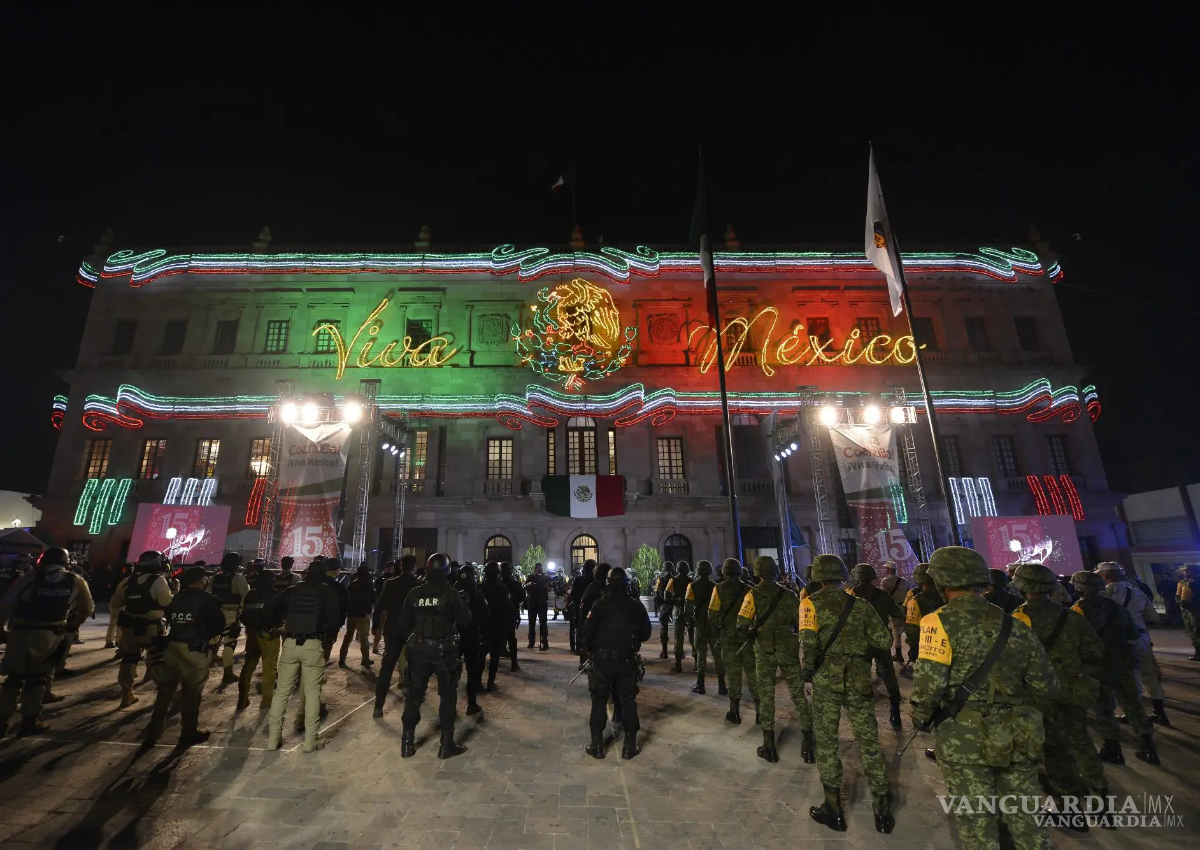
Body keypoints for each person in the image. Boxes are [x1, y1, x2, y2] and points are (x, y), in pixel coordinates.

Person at [911, 547, 1059, 850]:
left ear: (942, 581)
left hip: (965, 739)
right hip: (1019, 734)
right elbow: (1047, 687)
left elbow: (929, 685)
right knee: (1027, 820)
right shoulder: (1015, 622)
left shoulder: (937, 622)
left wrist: (921, 717)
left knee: (977, 823)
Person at [1010, 564, 1109, 825]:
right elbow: (1095, 652)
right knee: (1081, 743)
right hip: (1072, 691)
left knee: (1053, 749)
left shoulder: (1018, 619)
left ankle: (1069, 808)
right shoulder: (1071, 616)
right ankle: (1101, 800)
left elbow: (1011, 660)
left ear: (1021, 586)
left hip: (1038, 694)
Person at [802, 555, 894, 834]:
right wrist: (858, 648)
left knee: (827, 742)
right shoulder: (862, 605)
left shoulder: (810, 604)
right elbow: (884, 640)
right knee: (869, 742)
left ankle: (834, 810)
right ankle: (882, 812)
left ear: (818, 577)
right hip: (859, 680)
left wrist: (808, 669)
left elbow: (809, 643)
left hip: (826, 683)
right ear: (843, 576)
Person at [0, 549, 93, 735]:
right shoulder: (76, 580)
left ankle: (2, 721)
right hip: (50, 634)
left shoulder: (28, 578)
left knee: (13, 679)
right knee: (37, 679)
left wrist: (1, 629)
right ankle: (29, 721)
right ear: (66, 562)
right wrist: (72, 626)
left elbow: (5, 604)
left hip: (20, 633)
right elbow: (87, 608)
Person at [1071, 570, 1160, 766]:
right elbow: (1133, 635)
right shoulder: (1117, 608)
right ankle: (1148, 746)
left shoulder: (1077, 611)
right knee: (1132, 704)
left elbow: (1074, 641)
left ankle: (1112, 749)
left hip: (1095, 667)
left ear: (1078, 589)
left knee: (1103, 708)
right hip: (1121, 663)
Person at [396, 553, 472, 759]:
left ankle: (407, 744)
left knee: (414, 697)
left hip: (419, 650)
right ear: (447, 571)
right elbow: (466, 621)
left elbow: (403, 622)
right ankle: (446, 745)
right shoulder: (451, 593)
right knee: (447, 697)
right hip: (445, 652)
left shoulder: (415, 593)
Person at [739, 555, 811, 763]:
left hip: (764, 650)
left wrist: (751, 630)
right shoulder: (788, 594)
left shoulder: (753, 594)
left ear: (758, 572)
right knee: (798, 695)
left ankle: (769, 746)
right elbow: (801, 621)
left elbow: (742, 622)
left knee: (766, 696)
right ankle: (808, 745)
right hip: (788, 649)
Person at [146, 566, 226, 746]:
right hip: (194, 650)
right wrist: (206, 640)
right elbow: (218, 624)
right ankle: (189, 731)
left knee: (165, 690)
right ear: (203, 580)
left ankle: (155, 728)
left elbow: (166, 620)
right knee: (192, 692)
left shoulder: (176, 598)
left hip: (172, 647)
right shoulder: (208, 600)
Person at [266, 563, 342, 752]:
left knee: (281, 692)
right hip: (313, 644)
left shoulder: (291, 591)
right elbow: (335, 620)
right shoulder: (327, 593)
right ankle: (310, 742)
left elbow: (269, 609)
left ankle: (273, 740)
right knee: (312, 693)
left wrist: (281, 624)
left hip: (290, 643)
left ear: (306, 573)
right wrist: (328, 639)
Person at [581, 566, 652, 760]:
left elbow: (587, 632)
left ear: (608, 584)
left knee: (599, 701)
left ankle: (597, 745)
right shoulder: (636, 606)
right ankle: (629, 746)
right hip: (626, 661)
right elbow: (646, 633)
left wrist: (592, 651)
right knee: (628, 701)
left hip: (602, 661)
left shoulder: (599, 604)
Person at [1096, 561, 1167, 725]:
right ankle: (1160, 713)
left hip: (1119, 641)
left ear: (1105, 575)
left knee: (1129, 678)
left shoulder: (1104, 594)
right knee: (1149, 675)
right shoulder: (1137, 592)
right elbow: (1154, 617)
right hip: (1141, 638)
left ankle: (1135, 715)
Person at [111, 551, 174, 707]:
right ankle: (165, 694)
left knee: (129, 659)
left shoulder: (127, 581)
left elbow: (116, 603)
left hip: (129, 628)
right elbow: (167, 603)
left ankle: (127, 694)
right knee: (156, 659)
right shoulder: (158, 580)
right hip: (151, 627)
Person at [847, 563, 904, 728]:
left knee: (861, 679)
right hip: (881, 641)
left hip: (860, 643)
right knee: (889, 677)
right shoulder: (883, 595)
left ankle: (865, 719)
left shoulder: (851, 595)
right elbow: (898, 613)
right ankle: (895, 714)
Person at [708, 558, 757, 723]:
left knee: (734, 674)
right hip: (747, 639)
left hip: (728, 639)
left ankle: (734, 712)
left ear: (724, 572)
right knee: (752, 674)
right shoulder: (750, 590)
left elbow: (712, 615)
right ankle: (760, 713)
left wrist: (718, 633)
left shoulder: (718, 589)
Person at [372, 556, 422, 717]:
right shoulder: (419, 585)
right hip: (412, 630)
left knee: (387, 667)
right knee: (415, 666)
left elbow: (380, 605)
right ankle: (413, 703)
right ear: (414, 567)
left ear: (401, 566)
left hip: (393, 629)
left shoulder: (391, 583)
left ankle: (379, 705)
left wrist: (376, 624)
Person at [237, 569, 281, 712]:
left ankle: (242, 699)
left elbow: (243, 615)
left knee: (248, 666)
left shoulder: (250, 595)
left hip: (252, 634)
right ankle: (266, 701)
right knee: (269, 668)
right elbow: (281, 615)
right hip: (269, 635)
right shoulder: (276, 595)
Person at [210, 552, 250, 686]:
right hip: (230, 613)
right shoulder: (237, 578)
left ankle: (203, 668)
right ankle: (227, 673)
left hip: (215, 612)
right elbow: (246, 594)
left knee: (211, 642)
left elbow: (209, 594)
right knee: (230, 643)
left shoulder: (215, 578)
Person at [456, 563, 490, 716]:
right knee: (472, 671)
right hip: (471, 635)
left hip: (455, 636)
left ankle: (449, 705)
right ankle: (471, 703)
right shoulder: (477, 593)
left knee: (450, 671)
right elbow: (485, 615)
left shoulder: (452, 591)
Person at [902, 563, 943, 676]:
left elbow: (913, 631)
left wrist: (913, 647)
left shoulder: (915, 600)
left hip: (927, 647)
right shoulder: (946, 594)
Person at [684, 560, 717, 694]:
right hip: (712, 623)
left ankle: (700, 684)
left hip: (699, 623)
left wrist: (688, 621)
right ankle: (721, 684)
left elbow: (688, 607)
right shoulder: (715, 586)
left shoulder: (692, 586)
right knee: (717, 653)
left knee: (701, 653)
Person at [480, 561, 513, 691]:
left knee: (481, 655)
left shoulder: (481, 587)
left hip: (484, 625)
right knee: (494, 655)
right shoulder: (501, 588)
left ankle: (478, 681)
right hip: (497, 624)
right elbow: (507, 606)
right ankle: (490, 682)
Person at [340, 564, 376, 668]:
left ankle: (342, 659)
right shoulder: (369, 585)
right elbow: (373, 599)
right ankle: (365, 659)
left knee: (348, 636)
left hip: (352, 613)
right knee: (364, 637)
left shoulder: (352, 585)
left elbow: (346, 599)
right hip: (364, 614)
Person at [878, 561, 909, 662]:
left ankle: (898, 654)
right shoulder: (905, 581)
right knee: (908, 630)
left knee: (896, 631)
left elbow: (882, 595)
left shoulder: (885, 581)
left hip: (893, 608)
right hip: (904, 608)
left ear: (888, 569)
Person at [322, 558, 350, 662]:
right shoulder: (339, 588)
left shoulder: (313, 584)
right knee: (324, 654)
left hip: (311, 624)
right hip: (330, 626)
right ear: (337, 570)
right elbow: (344, 607)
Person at [666, 561, 692, 672]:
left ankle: (678, 664)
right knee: (693, 637)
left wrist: (672, 603)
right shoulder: (692, 581)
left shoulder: (673, 580)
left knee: (678, 637)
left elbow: (667, 594)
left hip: (678, 611)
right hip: (690, 611)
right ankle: (697, 662)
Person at [500, 561, 525, 670]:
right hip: (510, 613)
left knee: (497, 638)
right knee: (511, 637)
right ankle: (514, 663)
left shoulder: (496, 583)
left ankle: (495, 662)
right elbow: (522, 598)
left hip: (500, 614)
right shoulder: (515, 584)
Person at [567, 560, 595, 653]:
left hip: (580, 607)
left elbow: (573, 594)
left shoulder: (579, 580)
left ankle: (578, 648)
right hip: (592, 608)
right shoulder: (596, 581)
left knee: (578, 627)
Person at [524, 562, 550, 651]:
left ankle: (544, 641)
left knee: (543, 622)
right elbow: (524, 586)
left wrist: (545, 585)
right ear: (535, 569)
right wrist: (529, 584)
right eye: (538, 568)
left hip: (542, 602)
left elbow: (550, 588)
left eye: (541, 568)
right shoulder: (530, 577)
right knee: (531, 623)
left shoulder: (545, 577)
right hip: (532, 602)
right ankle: (531, 641)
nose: (539, 570)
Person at [1178, 564, 1200, 660]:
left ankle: (1198, 654)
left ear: (1190, 571)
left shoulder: (1190, 584)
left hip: (1194, 612)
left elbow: (1184, 602)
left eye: (1185, 571)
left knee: (1195, 633)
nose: (1183, 572)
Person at [655, 562, 675, 658]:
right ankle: (679, 651)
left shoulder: (661, 579)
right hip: (674, 605)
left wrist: (659, 605)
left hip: (664, 605)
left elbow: (657, 592)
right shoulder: (675, 579)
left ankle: (664, 652)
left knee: (664, 627)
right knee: (677, 629)